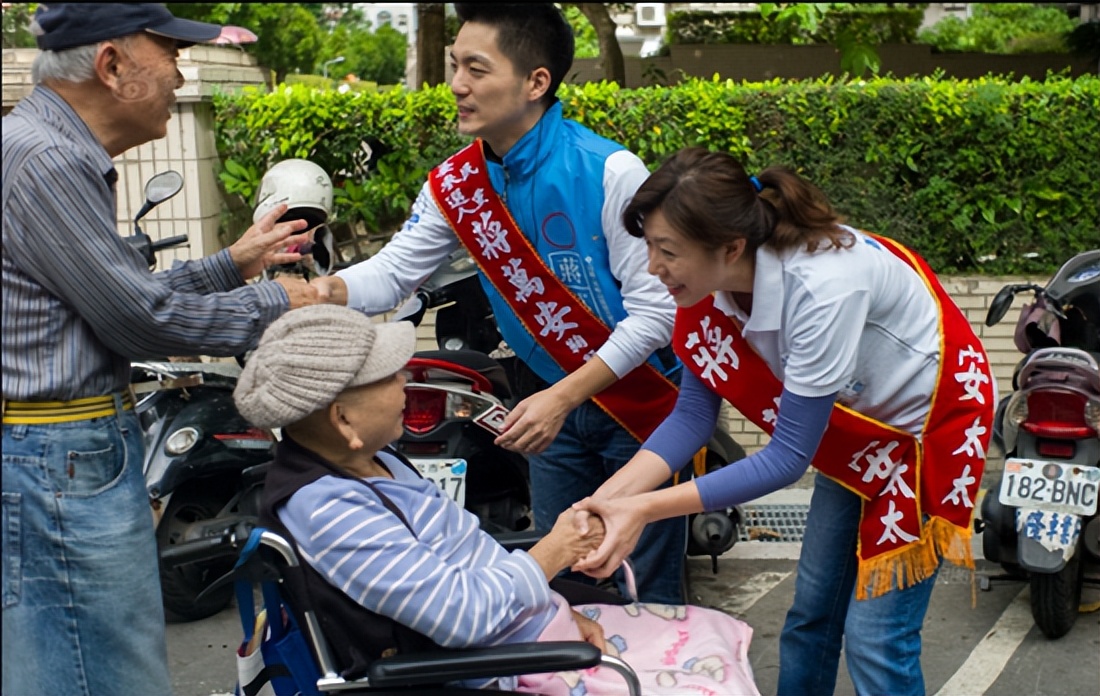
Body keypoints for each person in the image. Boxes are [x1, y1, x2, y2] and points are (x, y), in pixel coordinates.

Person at [571, 147, 996, 696]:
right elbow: (692, 417)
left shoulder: (821, 288)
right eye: (649, 246)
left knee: (876, 640)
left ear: (730, 247)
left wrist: (642, 509)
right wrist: (607, 502)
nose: (653, 267)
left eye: (666, 250)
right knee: (810, 616)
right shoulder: (706, 281)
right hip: (856, 435)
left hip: (923, 433)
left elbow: (787, 458)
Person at [312, 3, 687, 604]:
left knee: (647, 590)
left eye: (477, 69)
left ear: (536, 81)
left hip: (636, 407)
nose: (457, 84)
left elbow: (657, 312)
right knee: (562, 581)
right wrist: (322, 291)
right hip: (548, 407)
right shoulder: (455, 184)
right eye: (455, 65)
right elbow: (395, 272)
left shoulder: (610, 171)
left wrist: (563, 397)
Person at [1, 5, 321, 695]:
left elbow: (110, 296)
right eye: (171, 52)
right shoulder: (49, 161)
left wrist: (234, 264)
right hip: (61, 458)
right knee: (105, 673)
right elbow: (140, 319)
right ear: (113, 66)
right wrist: (281, 301)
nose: (182, 72)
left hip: (57, 453)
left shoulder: (41, 147)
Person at [232, 304, 760, 696]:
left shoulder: (377, 462)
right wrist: (554, 553)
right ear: (343, 420)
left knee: (706, 632)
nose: (405, 383)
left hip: (525, 636)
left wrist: (559, 606)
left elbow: (469, 560)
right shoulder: (329, 509)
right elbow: (463, 617)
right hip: (489, 670)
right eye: (389, 378)